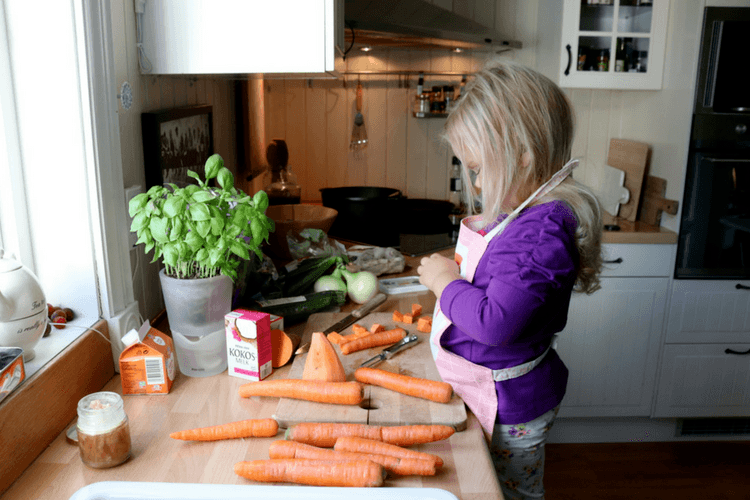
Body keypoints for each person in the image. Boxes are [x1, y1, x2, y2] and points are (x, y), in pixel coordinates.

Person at [417, 59, 603, 500]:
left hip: (509, 406)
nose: (477, 184)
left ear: (522, 154)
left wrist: (446, 282)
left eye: (480, 168)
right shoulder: (526, 219)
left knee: (508, 494)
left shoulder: (539, 231)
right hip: (492, 394)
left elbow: (495, 323)